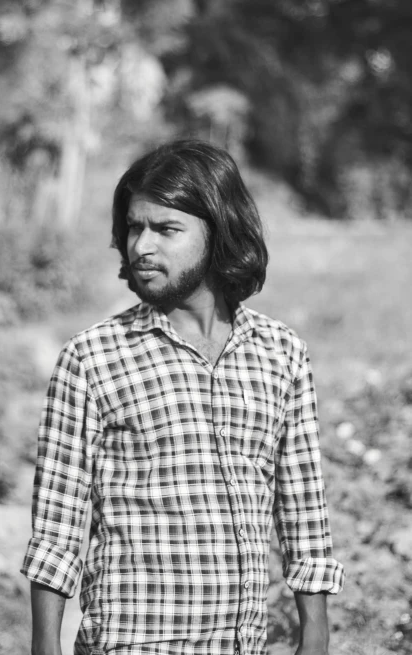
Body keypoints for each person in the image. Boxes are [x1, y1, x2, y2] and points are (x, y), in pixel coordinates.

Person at [22, 140, 345, 655]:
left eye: (166, 229)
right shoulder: (93, 358)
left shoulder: (281, 354)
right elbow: (57, 529)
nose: (141, 247)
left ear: (219, 234)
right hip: (132, 642)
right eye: (134, 227)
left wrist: (316, 636)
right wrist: (45, 646)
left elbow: (304, 508)